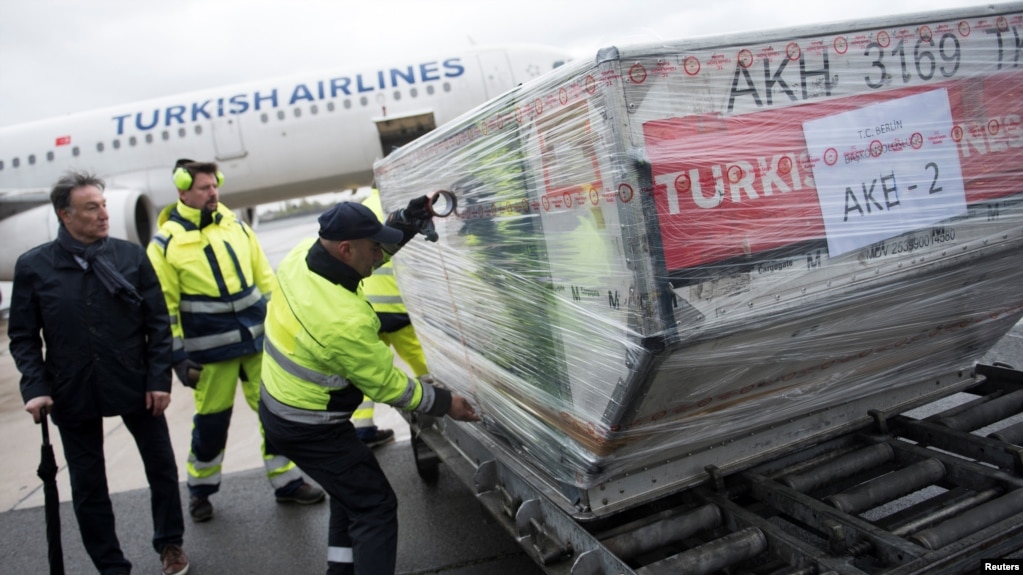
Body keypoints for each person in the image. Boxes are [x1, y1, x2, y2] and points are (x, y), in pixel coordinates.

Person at [259, 198, 480, 574]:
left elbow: (368, 254)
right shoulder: (342, 322)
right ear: (346, 250)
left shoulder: (301, 257)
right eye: (373, 246)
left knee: (350, 496)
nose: (379, 254)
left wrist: (402, 225)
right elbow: (391, 388)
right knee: (375, 506)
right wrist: (447, 403)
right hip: (310, 427)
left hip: (284, 406)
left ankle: (340, 571)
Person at [8, 170, 190, 575]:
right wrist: (35, 388)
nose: (103, 214)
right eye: (91, 208)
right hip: (72, 390)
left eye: (104, 205)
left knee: (161, 467)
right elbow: (22, 336)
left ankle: (170, 544)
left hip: (135, 383)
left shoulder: (129, 256)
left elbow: (157, 324)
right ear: (65, 215)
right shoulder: (35, 267)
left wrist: (158, 380)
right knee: (89, 486)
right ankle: (110, 565)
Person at [147, 159, 324, 523]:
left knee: (276, 413)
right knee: (212, 423)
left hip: (258, 342)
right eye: (203, 188)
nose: (213, 192)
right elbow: (163, 307)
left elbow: (265, 279)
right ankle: (200, 490)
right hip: (210, 354)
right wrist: (176, 356)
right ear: (182, 191)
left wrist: (285, 325)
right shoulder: (165, 244)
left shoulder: (235, 225)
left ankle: (286, 481)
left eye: (214, 185)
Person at [352, 189, 431, 448]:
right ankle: (439, 406)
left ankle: (362, 427)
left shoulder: (364, 207)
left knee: (367, 371)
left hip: (368, 307)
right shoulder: (401, 204)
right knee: (424, 363)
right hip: (398, 307)